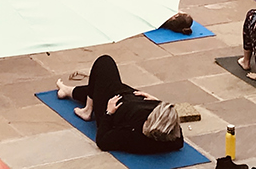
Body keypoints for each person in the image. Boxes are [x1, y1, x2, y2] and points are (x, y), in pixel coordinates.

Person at [55, 54, 184, 154]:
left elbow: (102, 142)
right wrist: (158, 103)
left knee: (104, 62)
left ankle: (88, 110)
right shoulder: (171, 139)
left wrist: (109, 113)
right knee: (103, 85)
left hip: (112, 105)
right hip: (127, 97)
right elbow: (178, 138)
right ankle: (67, 90)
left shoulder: (132, 135)